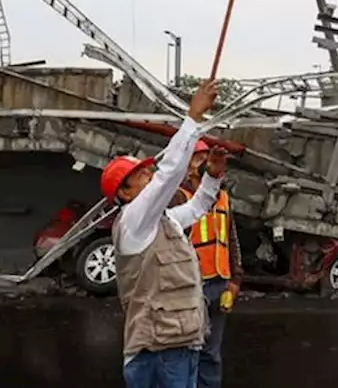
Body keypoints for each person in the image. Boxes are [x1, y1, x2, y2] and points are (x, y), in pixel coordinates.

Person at [100, 80, 222, 388]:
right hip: (157, 350)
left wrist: (213, 177)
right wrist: (192, 118)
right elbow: (168, 175)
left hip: (181, 343)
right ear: (124, 193)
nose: (149, 174)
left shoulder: (163, 222)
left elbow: (198, 208)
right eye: (140, 174)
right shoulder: (133, 222)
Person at [183, 139, 244, 388]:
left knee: (211, 354)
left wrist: (235, 280)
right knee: (185, 353)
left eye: (209, 158)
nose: (207, 163)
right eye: (199, 159)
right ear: (186, 167)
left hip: (218, 284)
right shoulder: (179, 198)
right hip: (188, 288)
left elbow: (231, 240)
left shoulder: (223, 198)